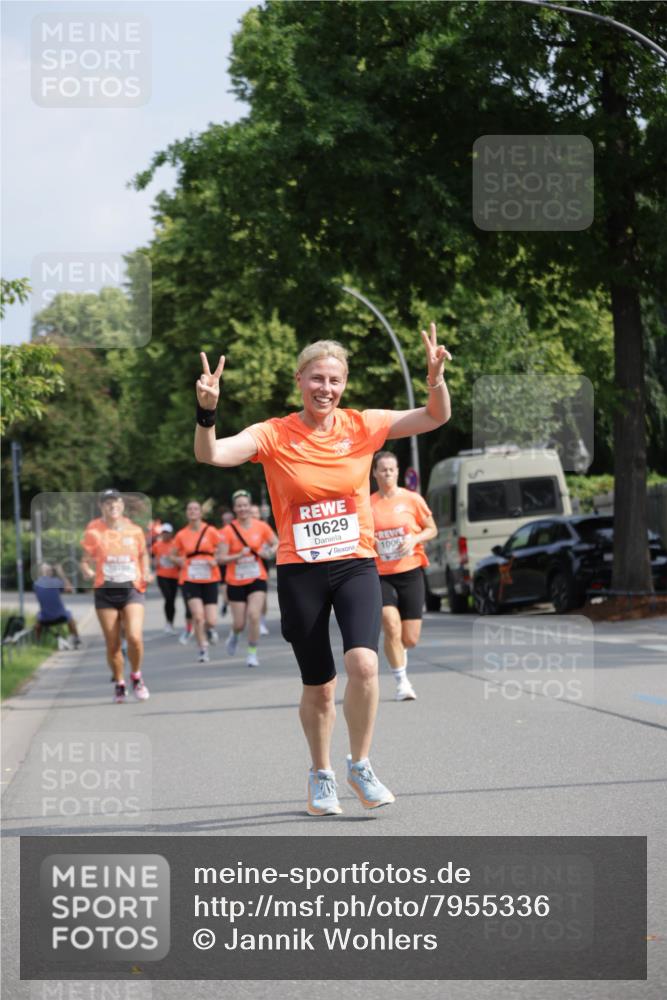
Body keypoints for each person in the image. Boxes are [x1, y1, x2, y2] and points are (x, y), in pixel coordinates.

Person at [194, 323, 451, 816]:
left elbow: (436, 416)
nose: (325, 389)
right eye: (316, 379)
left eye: (334, 380)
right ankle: (321, 774)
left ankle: (360, 764)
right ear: (300, 380)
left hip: (355, 563)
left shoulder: (364, 425)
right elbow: (211, 454)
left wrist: (435, 377)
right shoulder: (273, 433)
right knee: (321, 683)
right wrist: (207, 410)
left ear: (344, 384)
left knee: (365, 664)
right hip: (301, 571)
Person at [371, 452, 437, 701]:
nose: (388, 473)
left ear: (398, 472)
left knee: (410, 638)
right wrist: (372, 541)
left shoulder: (412, 500)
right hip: (380, 574)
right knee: (390, 624)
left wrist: (415, 537)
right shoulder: (367, 504)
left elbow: (432, 529)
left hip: (410, 570)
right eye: (383, 469)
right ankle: (402, 682)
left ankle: (400, 651)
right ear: (375, 473)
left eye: (392, 469)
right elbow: (358, 534)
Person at [80, 489, 152, 703]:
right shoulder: (93, 530)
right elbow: (85, 559)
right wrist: (87, 570)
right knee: (112, 644)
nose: (112, 506)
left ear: (122, 505)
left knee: (134, 638)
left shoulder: (134, 530)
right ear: (101, 506)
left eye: (116, 502)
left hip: (131, 589)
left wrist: (146, 570)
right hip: (105, 591)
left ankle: (136, 676)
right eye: (107, 503)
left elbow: (143, 554)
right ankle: (120, 683)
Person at [219, 490, 278, 667]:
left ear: (250, 506)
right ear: (234, 509)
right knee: (239, 623)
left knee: (254, 615)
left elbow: (276, 542)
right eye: (239, 506)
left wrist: (268, 552)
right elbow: (220, 558)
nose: (243, 508)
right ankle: (235, 635)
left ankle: (252, 653)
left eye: (245, 505)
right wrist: (236, 556)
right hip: (235, 580)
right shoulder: (227, 531)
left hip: (257, 577)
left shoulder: (261, 526)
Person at [172, 501, 222, 664]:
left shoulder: (211, 531)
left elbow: (222, 548)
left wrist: (216, 560)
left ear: (201, 513)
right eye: (189, 509)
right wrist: (179, 561)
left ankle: (209, 630)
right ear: (187, 513)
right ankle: (203, 648)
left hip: (209, 578)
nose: (192, 511)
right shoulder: (181, 535)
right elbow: (171, 555)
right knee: (198, 617)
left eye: (195, 509)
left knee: (211, 620)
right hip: (190, 578)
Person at [33, 563, 82, 647]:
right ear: (50, 572)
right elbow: (70, 589)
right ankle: (76, 639)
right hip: (60, 616)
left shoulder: (36, 584)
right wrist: (61, 572)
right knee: (70, 618)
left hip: (45, 618)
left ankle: (37, 643)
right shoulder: (56, 582)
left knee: (37, 623)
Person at [152, 523, 180, 634]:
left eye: (167, 533)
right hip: (162, 575)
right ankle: (168, 623)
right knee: (168, 597)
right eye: (163, 533)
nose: (165, 535)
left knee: (172, 600)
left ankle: (170, 623)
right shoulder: (157, 545)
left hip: (174, 575)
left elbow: (181, 557)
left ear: (171, 534)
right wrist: (154, 563)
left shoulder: (176, 545)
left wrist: (173, 559)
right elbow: (152, 557)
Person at [250, 502, 271, 635]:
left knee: (262, 596)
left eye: (255, 513)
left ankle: (261, 622)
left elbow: (274, 545)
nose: (253, 515)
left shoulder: (264, 527)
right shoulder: (241, 528)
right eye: (251, 513)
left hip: (261, 565)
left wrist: (267, 552)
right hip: (243, 567)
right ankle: (253, 619)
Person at [219, 509, 234, 618]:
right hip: (224, 563)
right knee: (224, 585)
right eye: (225, 520)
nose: (227, 521)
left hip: (237, 563)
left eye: (229, 519)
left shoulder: (238, 530)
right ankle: (225, 602)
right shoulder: (220, 533)